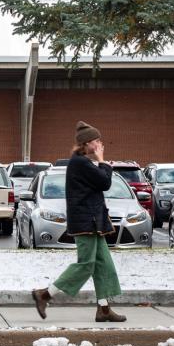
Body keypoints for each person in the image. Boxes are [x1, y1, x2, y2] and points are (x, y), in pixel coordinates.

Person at [31, 121, 126, 322]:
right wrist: (102, 160)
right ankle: (44, 294)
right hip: (85, 222)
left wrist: (100, 162)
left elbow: (99, 184)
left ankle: (104, 310)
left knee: (104, 265)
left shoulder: (83, 163)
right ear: (86, 143)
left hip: (93, 221)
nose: (100, 144)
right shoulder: (79, 163)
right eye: (96, 141)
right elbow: (105, 182)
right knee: (86, 264)